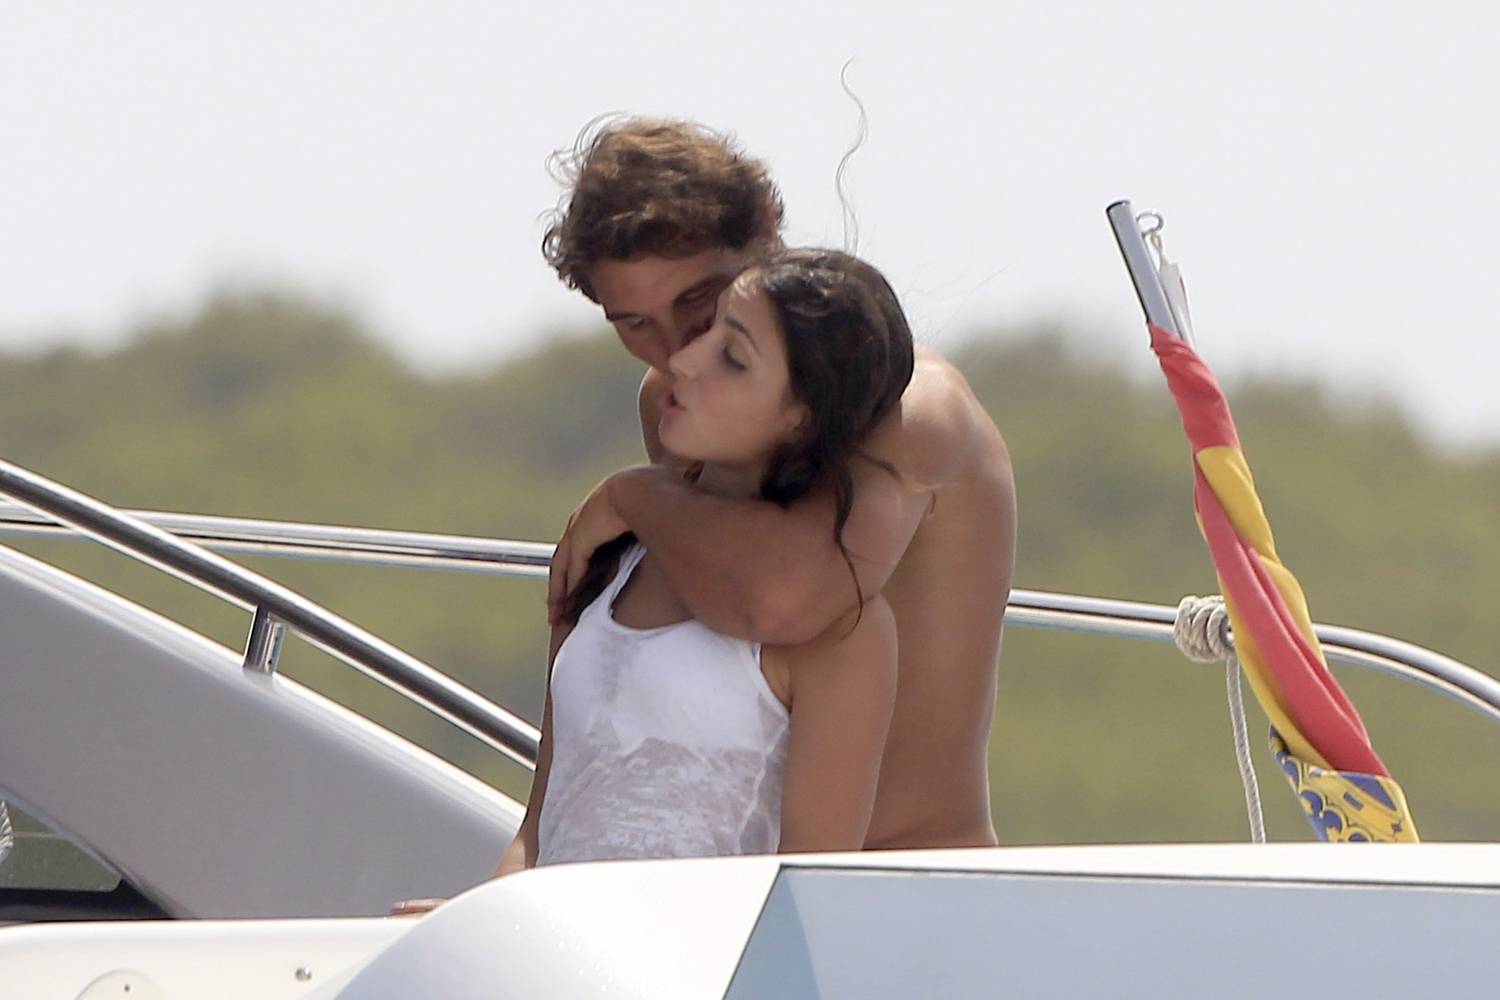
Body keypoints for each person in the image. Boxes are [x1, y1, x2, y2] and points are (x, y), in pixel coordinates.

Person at [545, 117, 1016, 850]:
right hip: (722, 879)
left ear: (766, 231)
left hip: (909, 879)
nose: (674, 350)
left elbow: (789, 599)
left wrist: (631, 495)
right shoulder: (676, 400)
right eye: (634, 323)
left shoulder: (914, 407)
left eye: (697, 301)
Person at [497, 249, 911, 871]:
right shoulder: (609, 557)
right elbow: (536, 833)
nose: (682, 361)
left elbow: (809, 884)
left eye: (732, 357)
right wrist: (467, 917)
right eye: (708, 329)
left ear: (800, 420)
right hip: (548, 930)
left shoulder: (845, 631)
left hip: (710, 938)